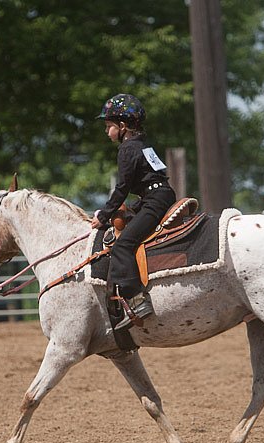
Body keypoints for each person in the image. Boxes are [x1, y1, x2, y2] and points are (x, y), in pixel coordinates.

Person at [91, 93, 176, 329]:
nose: (107, 132)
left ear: (123, 126)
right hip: (159, 195)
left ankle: (138, 301)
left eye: (109, 126)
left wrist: (103, 215)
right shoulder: (144, 144)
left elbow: (122, 188)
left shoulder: (127, 149)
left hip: (154, 199)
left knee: (123, 246)